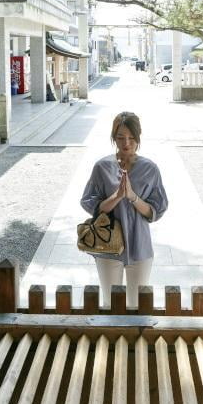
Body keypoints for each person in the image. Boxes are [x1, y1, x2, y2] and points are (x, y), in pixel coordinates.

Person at [80, 111, 168, 307]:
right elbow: (91, 205)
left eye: (131, 138)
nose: (126, 143)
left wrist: (132, 197)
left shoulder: (150, 169)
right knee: (110, 304)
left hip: (140, 246)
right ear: (113, 138)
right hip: (107, 247)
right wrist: (117, 196)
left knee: (137, 306)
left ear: (138, 137)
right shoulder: (102, 167)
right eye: (120, 138)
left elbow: (155, 211)